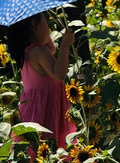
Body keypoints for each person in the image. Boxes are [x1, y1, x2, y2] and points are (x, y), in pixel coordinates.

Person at [7, 13, 76, 150]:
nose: (49, 28)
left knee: (34, 150)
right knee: (51, 147)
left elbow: (51, 49)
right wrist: (65, 45)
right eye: (46, 22)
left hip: (33, 108)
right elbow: (59, 74)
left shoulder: (28, 52)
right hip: (46, 108)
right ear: (34, 24)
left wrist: (44, 35)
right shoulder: (39, 51)